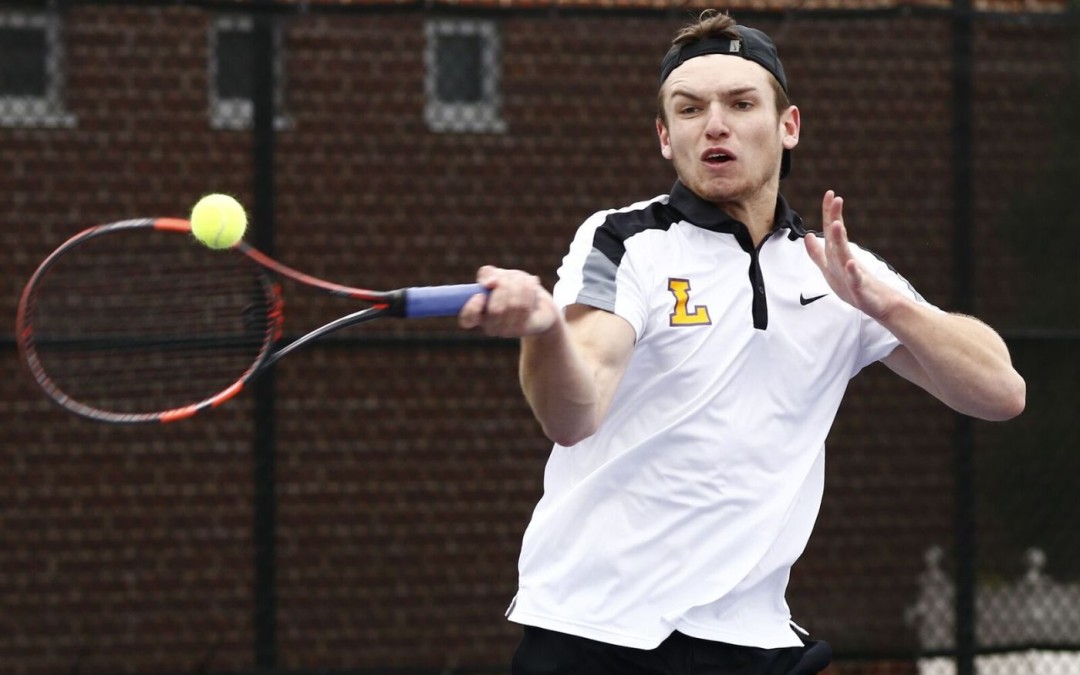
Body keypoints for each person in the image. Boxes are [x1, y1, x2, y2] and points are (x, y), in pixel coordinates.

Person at [458, 10, 1026, 675]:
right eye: (690, 109)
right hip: (597, 633)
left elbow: (1002, 393)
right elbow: (573, 413)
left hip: (755, 641)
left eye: (741, 103)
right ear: (666, 138)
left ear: (789, 126)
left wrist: (886, 304)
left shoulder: (837, 270)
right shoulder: (625, 243)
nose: (716, 124)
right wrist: (545, 330)